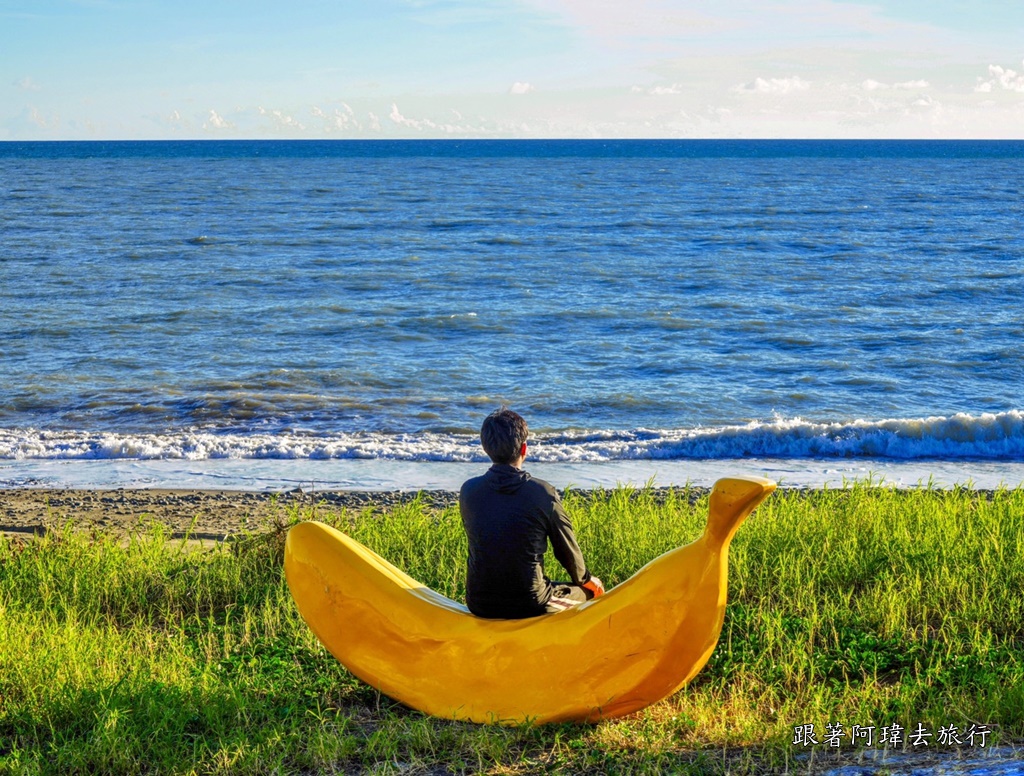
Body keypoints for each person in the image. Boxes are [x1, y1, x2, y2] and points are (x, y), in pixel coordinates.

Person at [459, 407, 604, 619]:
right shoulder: (543, 493)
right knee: (587, 592)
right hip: (530, 602)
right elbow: (566, 551)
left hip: (479, 601)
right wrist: (588, 580)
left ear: (485, 448)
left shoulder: (468, 490)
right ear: (524, 449)